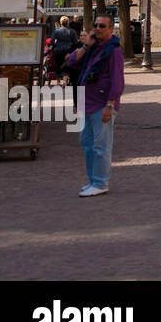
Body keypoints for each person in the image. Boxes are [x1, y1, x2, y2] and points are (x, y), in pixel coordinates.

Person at [63, 14, 124, 197]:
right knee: (87, 143)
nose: (97, 28)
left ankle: (100, 183)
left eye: (102, 26)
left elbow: (117, 81)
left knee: (100, 145)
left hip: (101, 104)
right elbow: (72, 62)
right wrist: (85, 44)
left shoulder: (114, 51)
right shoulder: (93, 48)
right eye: (95, 25)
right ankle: (93, 181)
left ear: (111, 29)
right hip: (86, 103)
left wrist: (110, 105)